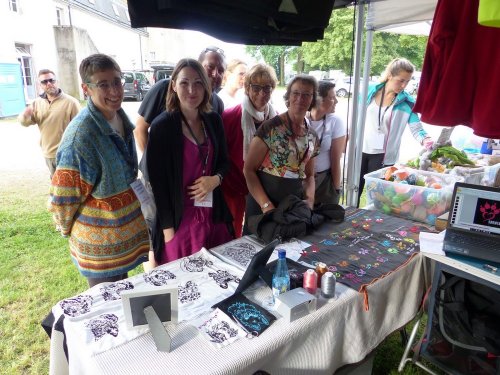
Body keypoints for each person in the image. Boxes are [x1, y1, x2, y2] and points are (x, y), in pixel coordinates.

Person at [49, 54, 150, 287]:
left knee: (122, 302)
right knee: (108, 313)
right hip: (100, 252)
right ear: (86, 89)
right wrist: (68, 230)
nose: (114, 90)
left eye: (117, 81)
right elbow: (63, 200)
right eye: (103, 84)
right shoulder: (80, 138)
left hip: (121, 244)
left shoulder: (120, 120)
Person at [146, 58, 233, 266]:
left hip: (212, 214)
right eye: (184, 83)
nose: (192, 90)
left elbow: (224, 162)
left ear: (206, 86)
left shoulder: (213, 121)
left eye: (198, 83)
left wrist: (215, 179)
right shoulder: (162, 127)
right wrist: (168, 230)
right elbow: (158, 185)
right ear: (174, 86)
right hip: (179, 219)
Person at [243, 74, 320, 234]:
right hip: (263, 204)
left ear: (312, 99)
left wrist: (310, 200)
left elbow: (310, 175)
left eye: (307, 94)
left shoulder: (312, 135)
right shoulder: (270, 129)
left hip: (291, 207)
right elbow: (248, 170)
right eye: (296, 93)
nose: (300, 98)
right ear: (288, 96)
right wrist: (266, 206)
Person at [357, 58, 434, 208]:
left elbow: (417, 128)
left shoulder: (406, 103)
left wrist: (426, 139)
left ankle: (372, 223)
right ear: (390, 75)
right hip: (360, 149)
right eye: (401, 80)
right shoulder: (369, 92)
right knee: (354, 188)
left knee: (377, 197)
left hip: (383, 156)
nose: (404, 85)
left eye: (407, 81)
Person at [134, 46, 226, 153]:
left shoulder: (218, 104)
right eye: (210, 67)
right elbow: (140, 130)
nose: (215, 74)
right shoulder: (163, 88)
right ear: (198, 66)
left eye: (221, 70)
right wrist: (151, 165)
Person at [221, 63, 278, 237]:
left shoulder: (276, 119)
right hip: (235, 187)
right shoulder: (230, 117)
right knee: (234, 234)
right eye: (256, 87)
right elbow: (221, 156)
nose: (262, 93)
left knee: (260, 233)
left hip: (264, 187)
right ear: (247, 88)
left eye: (267, 88)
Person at [17, 69, 81, 179]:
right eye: (44, 82)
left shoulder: (71, 102)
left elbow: (81, 128)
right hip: (48, 154)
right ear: (40, 85)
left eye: (51, 80)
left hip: (67, 154)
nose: (49, 84)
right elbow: (25, 123)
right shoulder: (36, 103)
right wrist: (25, 116)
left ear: (57, 81)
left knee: (70, 186)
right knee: (56, 184)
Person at [307, 80, 346, 206]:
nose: (336, 101)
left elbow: (335, 160)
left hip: (325, 181)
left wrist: (335, 189)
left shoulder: (335, 122)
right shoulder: (302, 120)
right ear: (319, 100)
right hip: (303, 182)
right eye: (332, 97)